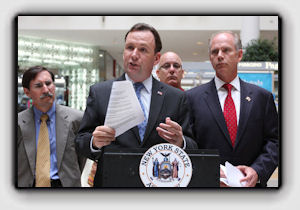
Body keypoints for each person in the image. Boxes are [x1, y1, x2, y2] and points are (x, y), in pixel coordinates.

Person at [75, 23, 197, 176]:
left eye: (143, 50)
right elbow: (80, 142)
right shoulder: (100, 92)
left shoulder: (175, 97)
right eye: (129, 47)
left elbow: (193, 146)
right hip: (113, 185)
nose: (134, 54)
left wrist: (180, 141)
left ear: (156, 58)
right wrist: (94, 142)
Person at [186, 31, 278, 187]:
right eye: (215, 52)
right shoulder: (191, 98)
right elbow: (188, 143)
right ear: (210, 58)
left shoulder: (262, 97)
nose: (220, 55)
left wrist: (257, 171)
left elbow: (274, 141)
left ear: (239, 55)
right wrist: (207, 170)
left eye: (226, 50)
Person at [17, 66, 85, 187]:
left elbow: (82, 156)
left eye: (48, 83)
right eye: (38, 86)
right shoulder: (17, 123)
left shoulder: (76, 119)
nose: (45, 89)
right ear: (27, 92)